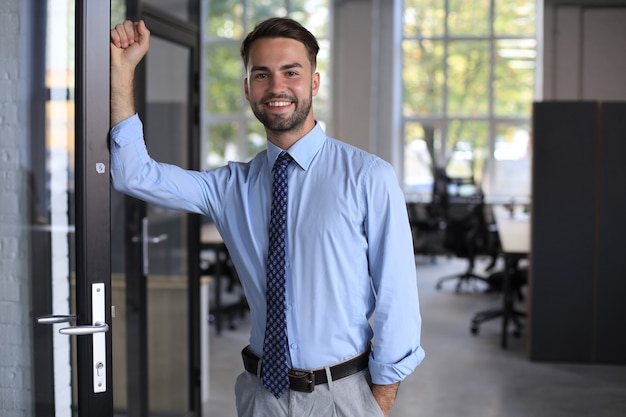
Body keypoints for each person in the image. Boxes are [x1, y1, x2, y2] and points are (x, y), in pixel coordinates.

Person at [110, 17, 424, 417]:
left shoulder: (368, 177)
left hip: (344, 397)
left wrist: (377, 403)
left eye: (291, 72)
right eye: (262, 74)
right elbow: (133, 174)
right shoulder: (229, 188)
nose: (277, 87)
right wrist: (122, 73)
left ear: (314, 82)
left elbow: (398, 297)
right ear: (247, 88)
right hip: (261, 397)